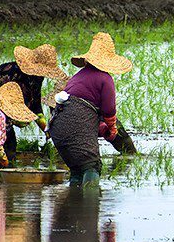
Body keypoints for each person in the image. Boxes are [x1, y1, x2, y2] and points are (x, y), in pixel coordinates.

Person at [48, 32, 132, 186]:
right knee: (91, 166)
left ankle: (74, 203)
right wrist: (112, 128)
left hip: (57, 126)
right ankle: (90, 205)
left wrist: (102, 128)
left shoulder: (78, 77)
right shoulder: (105, 78)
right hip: (76, 122)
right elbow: (108, 109)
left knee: (77, 170)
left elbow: (86, 112)